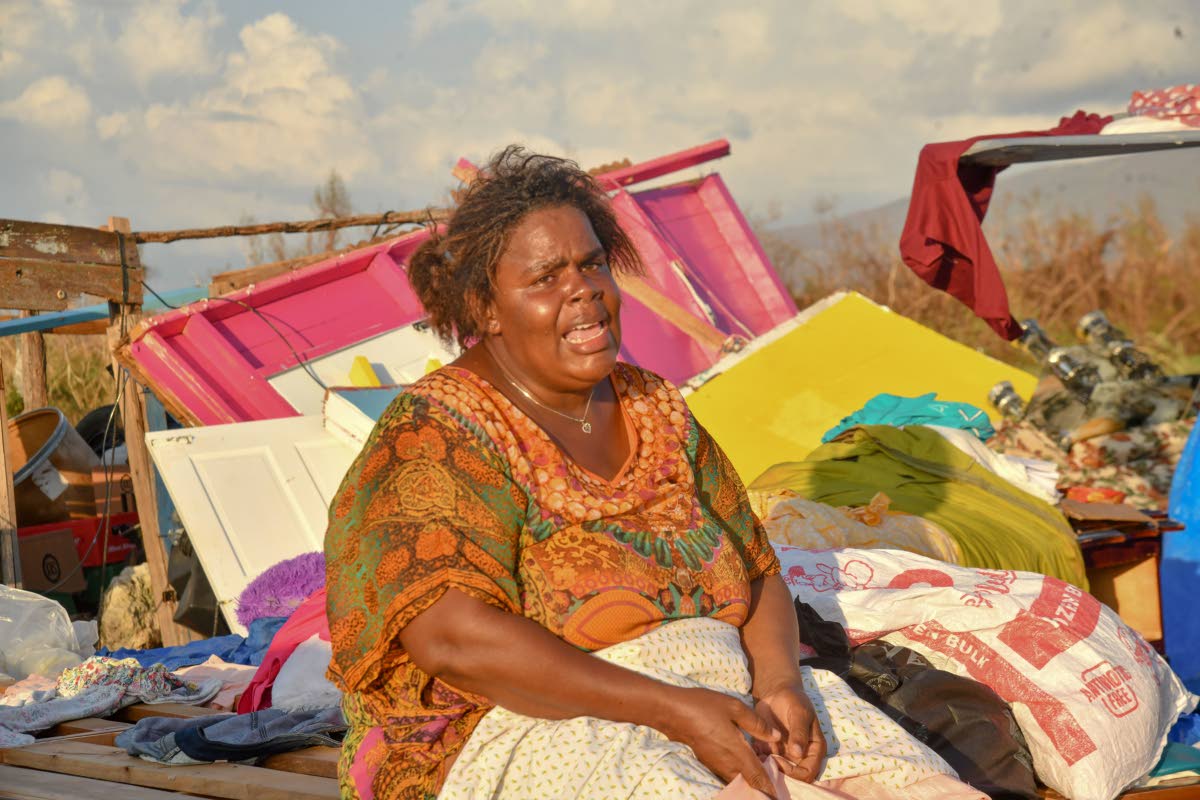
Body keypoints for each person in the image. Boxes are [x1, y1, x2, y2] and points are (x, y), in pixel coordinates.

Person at [324, 146, 826, 800]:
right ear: (486, 309)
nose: (583, 289)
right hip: (528, 723)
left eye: (592, 265)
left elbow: (755, 567)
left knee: (901, 777)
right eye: (546, 277)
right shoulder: (438, 432)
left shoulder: (657, 407)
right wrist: (672, 709)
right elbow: (449, 634)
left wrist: (781, 685)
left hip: (721, 697)